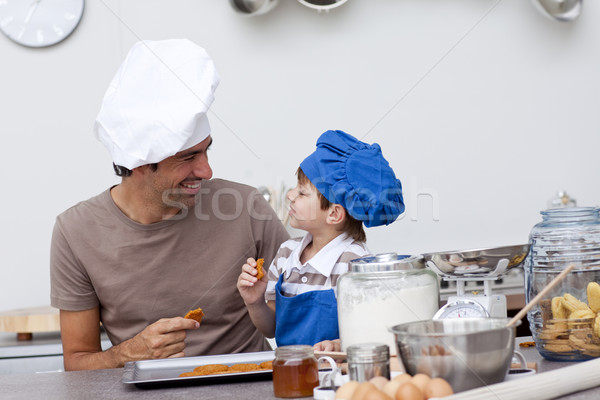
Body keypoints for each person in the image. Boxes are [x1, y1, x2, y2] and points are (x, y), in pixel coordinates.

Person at [50, 39, 289, 371]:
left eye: (206, 151)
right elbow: (77, 362)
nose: (206, 171)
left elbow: (300, 313)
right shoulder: (75, 232)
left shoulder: (246, 207)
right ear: (139, 165)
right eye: (188, 157)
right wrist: (126, 353)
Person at [237, 130, 404, 351]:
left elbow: (372, 331)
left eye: (302, 193)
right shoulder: (287, 254)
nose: (290, 195)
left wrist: (340, 345)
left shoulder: (356, 263)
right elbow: (270, 329)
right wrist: (254, 302)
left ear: (334, 214)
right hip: (292, 373)